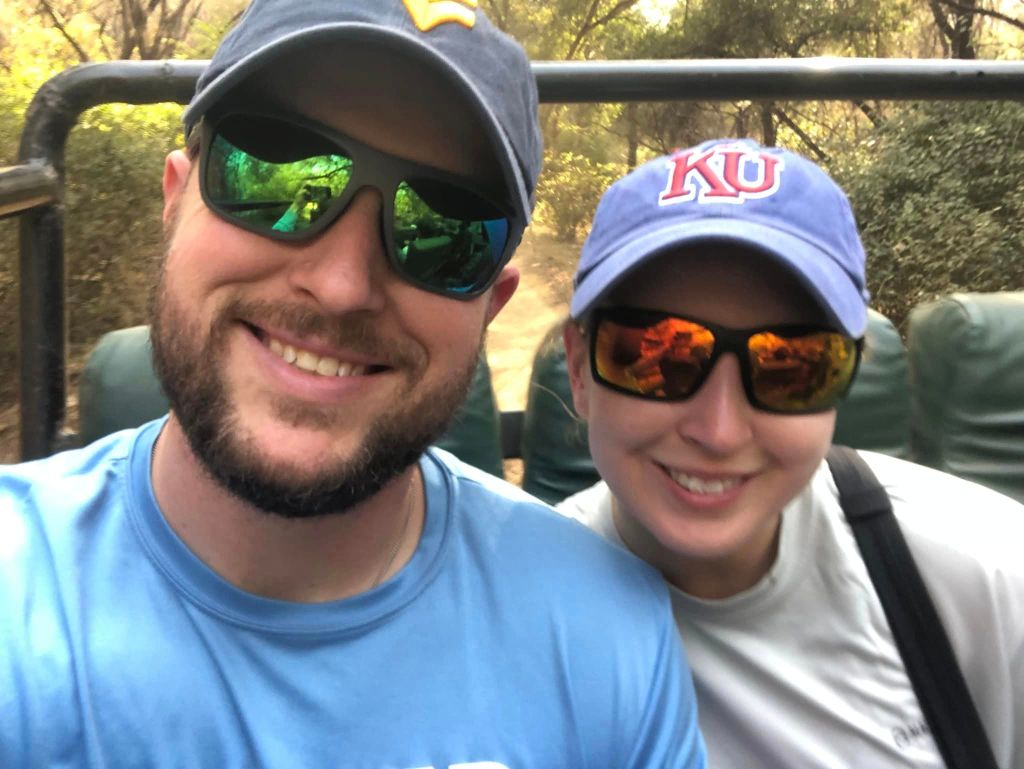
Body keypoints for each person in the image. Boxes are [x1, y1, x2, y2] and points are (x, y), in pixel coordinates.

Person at [0, 3, 708, 767]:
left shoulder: (606, 635)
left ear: (487, 308)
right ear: (176, 198)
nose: (340, 286)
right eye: (273, 171)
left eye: (443, 229)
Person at [558, 138, 1024, 769]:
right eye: (657, 355)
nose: (720, 431)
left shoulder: (988, 573)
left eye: (792, 365)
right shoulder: (513, 611)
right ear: (580, 371)